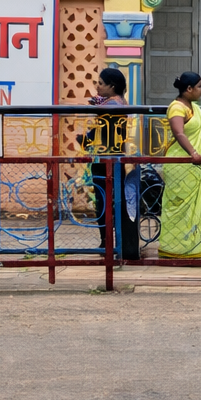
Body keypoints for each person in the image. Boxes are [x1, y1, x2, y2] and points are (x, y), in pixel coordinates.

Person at [160, 72, 201, 259]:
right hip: (183, 165)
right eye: (199, 86)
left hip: (199, 165)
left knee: (199, 208)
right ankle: (176, 248)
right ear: (189, 89)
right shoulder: (177, 108)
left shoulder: (193, 106)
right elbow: (179, 133)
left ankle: (196, 247)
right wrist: (193, 153)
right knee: (179, 206)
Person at [85, 67, 140, 260]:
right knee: (115, 199)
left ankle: (106, 242)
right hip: (117, 157)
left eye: (100, 83)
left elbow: (91, 135)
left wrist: (85, 134)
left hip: (104, 158)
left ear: (112, 86)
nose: (97, 86)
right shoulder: (121, 103)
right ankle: (115, 241)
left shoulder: (108, 106)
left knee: (103, 201)